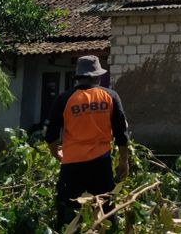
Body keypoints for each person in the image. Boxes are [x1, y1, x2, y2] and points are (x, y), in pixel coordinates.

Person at [45, 55, 130, 228]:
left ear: (77, 76)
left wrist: (56, 154)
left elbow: (51, 134)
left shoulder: (64, 98)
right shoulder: (110, 96)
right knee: (105, 209)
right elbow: (122, 133)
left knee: (69, 212)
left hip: (72, 165)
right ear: (98, 76)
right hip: (101, 164)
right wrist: (123, 161)